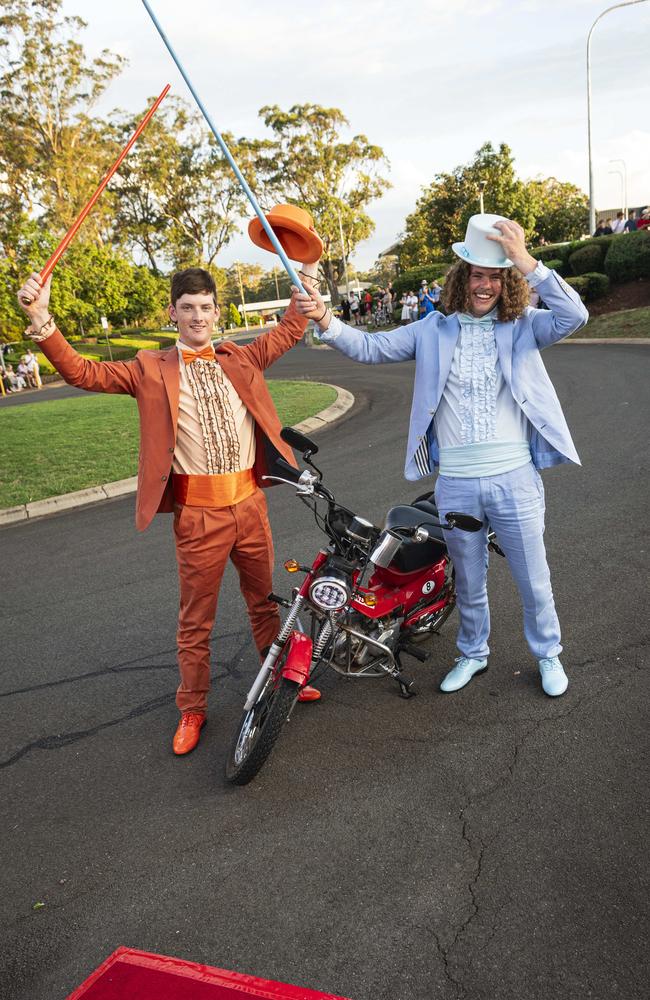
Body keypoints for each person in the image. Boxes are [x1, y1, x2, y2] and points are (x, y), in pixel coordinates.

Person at [17, 262, 322, 756]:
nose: (198, 316)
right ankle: (193, 709)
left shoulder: (241, 358)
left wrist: (303, 279)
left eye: (205, 307)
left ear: (217, 312)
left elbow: (289, 328)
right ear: (172, 312)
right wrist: (44, 322)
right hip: (198, 515)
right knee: (195, 619)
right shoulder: (149, 368)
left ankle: (283, 678)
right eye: (188, 308)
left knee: (264, 601)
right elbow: (83, 372)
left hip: (250, 504)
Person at [294, 214, 589, 699]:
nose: (486, 285)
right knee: (469, 577)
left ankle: (548, 654)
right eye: (478, 274)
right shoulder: (432, 329)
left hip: (514, 477)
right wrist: (326, 319)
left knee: (534, 577)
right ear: (462, 277)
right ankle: (473, 653)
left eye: (496, 276)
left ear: (506, 281)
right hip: (456, 483)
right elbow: (369, 347)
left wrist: (527, 262)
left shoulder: (524, 326)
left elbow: (573, 316)